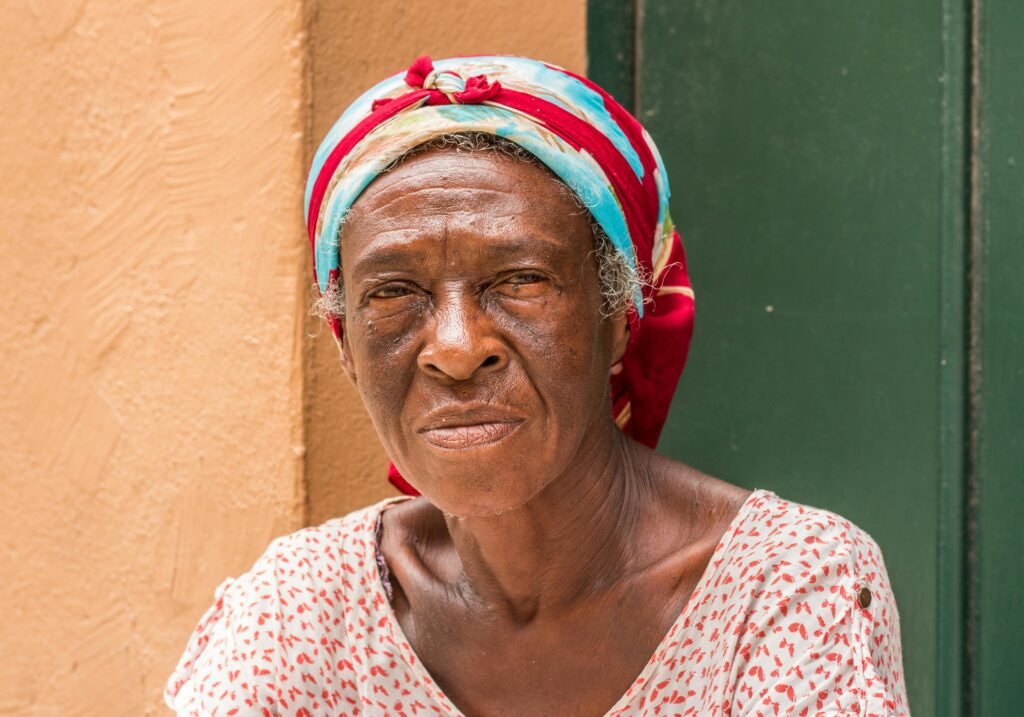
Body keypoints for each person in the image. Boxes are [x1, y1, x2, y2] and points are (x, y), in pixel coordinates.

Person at [166, 55, 908, 716]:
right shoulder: (299, 610)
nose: (456, 349)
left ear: (621, 315)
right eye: (393, 293)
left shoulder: (783, 587)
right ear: (347, 348)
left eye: (520, 280)